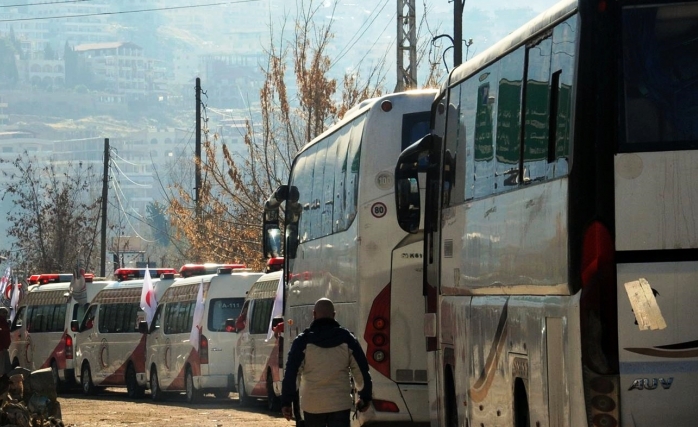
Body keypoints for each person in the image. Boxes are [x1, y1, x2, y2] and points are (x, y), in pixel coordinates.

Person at [281, 298, 372, 427]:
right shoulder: (347, 339)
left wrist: (286, 402)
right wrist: (365, 396)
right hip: (340, 405)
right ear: (334, 315)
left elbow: (291, 374)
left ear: (314, 314)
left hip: (312, 406)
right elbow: (361, 371)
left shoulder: (303, 341)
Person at [0, 307, 11, 376]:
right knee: (2, 366)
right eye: (3, 312)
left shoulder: (4, 322)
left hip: (4, 347)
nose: (5, 314)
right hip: (1, 348)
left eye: (6, 313)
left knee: (6, 366)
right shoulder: (1, 322)